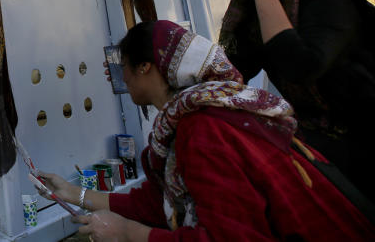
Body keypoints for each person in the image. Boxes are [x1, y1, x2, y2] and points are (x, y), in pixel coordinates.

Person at [35, 20, 373, 241]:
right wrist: (73, 194)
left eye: (122, 66)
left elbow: (230, 237)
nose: (118, 76)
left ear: (145, 66)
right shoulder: (203, 111)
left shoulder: (203, 129)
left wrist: (128, 232)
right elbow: (162, 200)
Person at [214, 0, 375, 198]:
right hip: (325, 142)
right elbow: (232, 71)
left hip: (367, 132)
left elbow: (302, 67)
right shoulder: (252, 11)